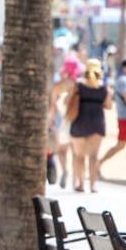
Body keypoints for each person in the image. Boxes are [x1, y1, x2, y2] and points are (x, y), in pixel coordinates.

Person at [68, 59, 112, 192]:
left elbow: (69, 101)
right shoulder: (104, 88)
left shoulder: (78, 86)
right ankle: (93, 185)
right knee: (93, 156)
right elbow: (108, 106)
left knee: (79, 156)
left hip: (79, 123)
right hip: (97, 123)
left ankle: (81, 184)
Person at [48, 56, 81, 189]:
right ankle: (74, 179)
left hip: (60, 120)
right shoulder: (79, 86)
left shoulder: (57, 86)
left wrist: (49, 121)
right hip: (74, 119)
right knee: (74, 151)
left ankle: (65, 171)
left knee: (61, 150)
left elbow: (53, 107)